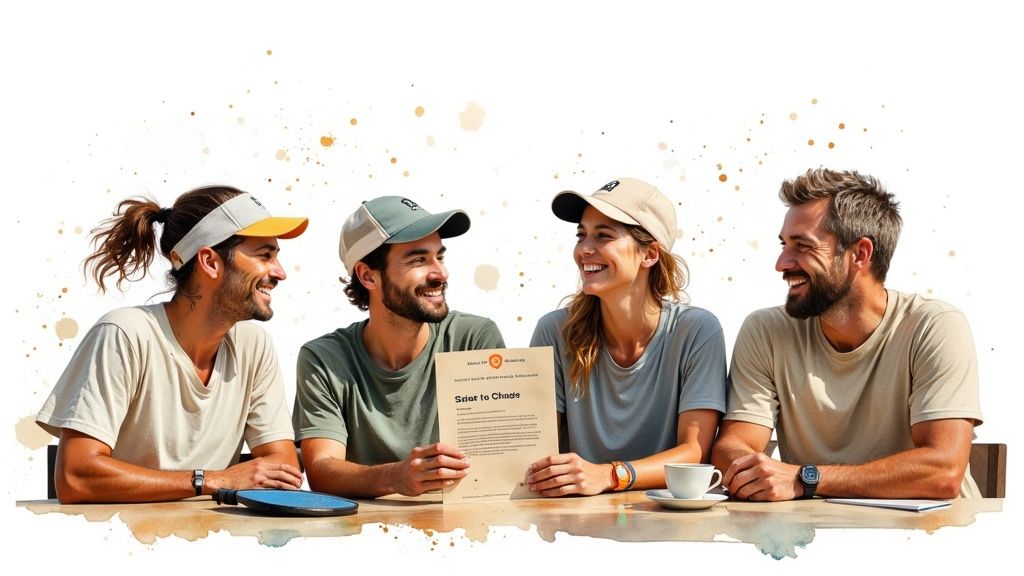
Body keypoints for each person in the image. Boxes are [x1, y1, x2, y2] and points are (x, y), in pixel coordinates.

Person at [712, 168, 983, 500]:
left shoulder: (935, 326)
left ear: (860, 254)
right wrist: (755, 472)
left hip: (931, 538)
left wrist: (805, 479)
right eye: (785, 245)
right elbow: (733, 444)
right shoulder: (766, 331)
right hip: (818, 536)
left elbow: (942, 472)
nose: (782, 263)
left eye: (802, 246)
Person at [36, 186, 308, 503]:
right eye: (264, 255)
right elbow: (74, 477)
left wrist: (221, 482)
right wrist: (211, 481)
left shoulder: (254, 346)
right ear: (210, 262)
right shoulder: (124, 334)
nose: (280, 273)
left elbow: (284, 471)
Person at [293, 195, 505, 498]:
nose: (440, 273)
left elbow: (501, 460)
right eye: (418, 260)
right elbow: (322, 469)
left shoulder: (474, 339)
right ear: (368, 275)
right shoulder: (324, 359)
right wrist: (396, 477)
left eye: (440, 257)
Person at [527, 178, 727, 496]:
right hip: (574, 519)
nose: (584, 250)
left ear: (649, 255)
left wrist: (610, 475)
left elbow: (695, 453)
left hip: (665, 518)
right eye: (581, 236)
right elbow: (534, 446)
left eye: (603, 236)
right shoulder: (554, 331)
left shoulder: (697, 331)